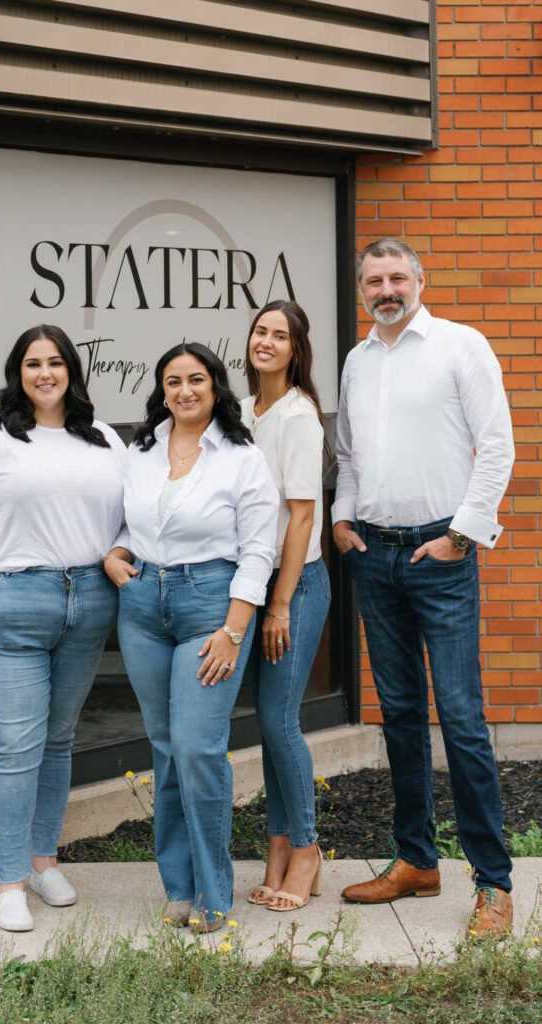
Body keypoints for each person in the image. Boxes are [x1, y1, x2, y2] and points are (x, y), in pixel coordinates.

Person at [333, 238, 516, 939]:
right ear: (362, 290)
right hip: (374, 555)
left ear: (419, 280)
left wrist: (462, 536)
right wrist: (344, 520)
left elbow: (496, 445)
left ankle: (493, 884)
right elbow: (348, 452)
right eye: (374, 279)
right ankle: (416, 859)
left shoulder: (460, 346)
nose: (386, 288)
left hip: (442, 554)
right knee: (401, 714)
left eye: (397, 276)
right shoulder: (357, 359)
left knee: (463, 719)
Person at [0, 324, 125, 933]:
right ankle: (10, 879)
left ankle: (45, 861)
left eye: (54, 362)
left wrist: (116, 556)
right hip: (14, 600)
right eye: (32, 363)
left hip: (89, 600)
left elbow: (130, 513)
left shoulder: (101, 437)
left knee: (58, 739)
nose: (44, 373)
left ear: (72, 369)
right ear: (17, 373)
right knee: (16, 747)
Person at [105, 342, 279, 932]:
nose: (184, 391)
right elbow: (132, 520)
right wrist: (116, 552)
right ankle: (178, 888)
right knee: (166, 748)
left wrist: (234, 630)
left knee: (199, 747)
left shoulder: (241, 457)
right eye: (173, 381)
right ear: (162, 389)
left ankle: (213, 892)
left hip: (212, 603)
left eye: (196, 380)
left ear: (215, 387)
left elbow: (259, 552)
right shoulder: (143, 448)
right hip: (142, 606)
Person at [240, 301, 330, 913]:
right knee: (270, 726)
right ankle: (277, 846)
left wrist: (278, 605)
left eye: (280, 335)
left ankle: (307, 848)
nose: (267, 342)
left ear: (296, 349)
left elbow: (301, 515)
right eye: (260, 331)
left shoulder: (298, 417)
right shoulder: (247, 411)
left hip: (291, 587)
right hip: (253, 582)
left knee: (279, 722)